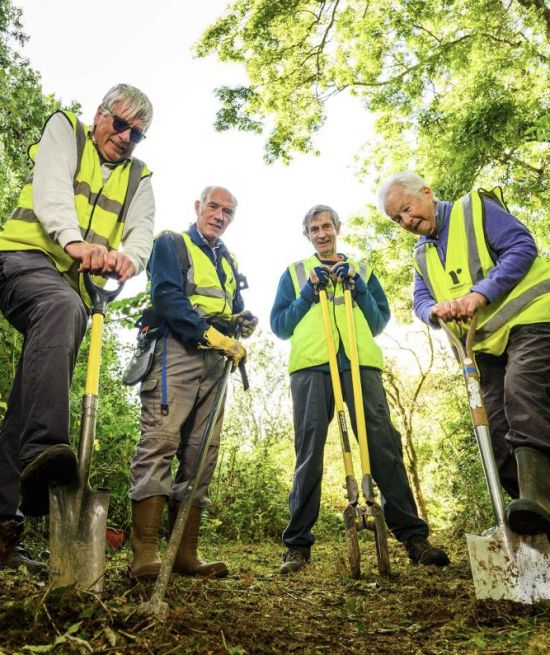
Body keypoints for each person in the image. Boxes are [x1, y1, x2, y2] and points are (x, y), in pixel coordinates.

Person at [0, 83, 155, 573]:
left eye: (137, 132)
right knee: (65, 308)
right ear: (100, 114)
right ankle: (44, 452)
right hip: (22, 260)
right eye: (120, 123)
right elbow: (50, 193)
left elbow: (142, 232)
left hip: (67, 293)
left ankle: (4, 530)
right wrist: (74, 241)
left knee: (28, 398)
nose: (126, 136)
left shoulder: (139, 177)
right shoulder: (65, 130)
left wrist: (127, 259)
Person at [270, 204, 449, 574]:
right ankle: (297, 546)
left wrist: (360, 288)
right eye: (314, 229)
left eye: (326, 226)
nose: (321, 233)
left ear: (338, 228)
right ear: (307, 235)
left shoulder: (362, 270)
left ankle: (414, 539)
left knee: (382, 444)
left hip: (359, 362)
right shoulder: (294, 273)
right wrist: (306, 294)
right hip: (310, 367)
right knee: (309, 451)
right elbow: (280, 326)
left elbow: (378, 320)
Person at [378, 171, 550, 538]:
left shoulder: (475, 209)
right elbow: (420, 299)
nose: (407, 221)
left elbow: (522, 246)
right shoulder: (422, 255)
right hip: (485, 346)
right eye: (397, 219)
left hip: (533, 319)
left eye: (407, 209)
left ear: (427, 192)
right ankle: (530, 517)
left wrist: (479, 293)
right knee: (493, 426)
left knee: (521, 393)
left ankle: (539, 497)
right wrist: (433, 312)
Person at [128, 186, 258, 581]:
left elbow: (229, 307)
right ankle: (145, 554)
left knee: (203, 454)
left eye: (228, 212)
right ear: (198, 207)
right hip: (175, 350)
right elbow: (167, 297)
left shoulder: (229, 259)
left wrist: (240, 322)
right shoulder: (171, 242)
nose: (220, 216)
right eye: (214, 207)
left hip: (217, 362)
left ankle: (185, 553)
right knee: (161, 441)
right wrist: (211, 335)